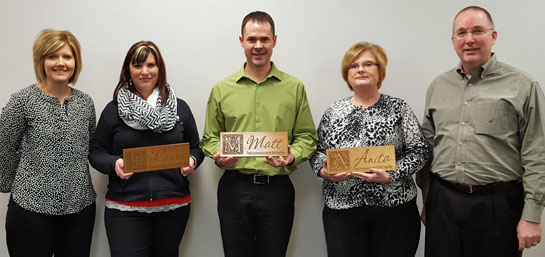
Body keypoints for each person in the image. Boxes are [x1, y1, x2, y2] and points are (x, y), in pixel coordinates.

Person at [417, 6, 545, 257]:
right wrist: (428, 200)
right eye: (461, 33)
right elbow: (427, 146)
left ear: (493, 36)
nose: (469, 39)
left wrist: (531, 215)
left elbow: (537, 152)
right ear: (453, 40)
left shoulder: (523, 86)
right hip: (443, 203)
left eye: (477, 31)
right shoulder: (438, 86)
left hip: (497, 206)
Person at [200, 11, 318, 257]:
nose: (258, 46)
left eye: (264, 39)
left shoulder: (294, 88)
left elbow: (308, 137)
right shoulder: (222, 89)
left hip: (277, 190)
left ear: (274, 40)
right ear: (241, 41)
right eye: (252, 39)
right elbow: (209, 138)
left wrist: (291, 155)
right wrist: (218, 155)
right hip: (234, 188)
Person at [309, 42, 428, 257]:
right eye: (353, 66)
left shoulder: (399, 108)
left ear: (380, 71)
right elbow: (316, 152)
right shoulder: (333, 112)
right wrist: (323, 171)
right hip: (342, 214)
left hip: (395, 212)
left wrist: (391, 174)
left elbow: (420, 151)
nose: (360, 69)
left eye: (368, 64)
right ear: (347, 74)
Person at [88, 41, 204, 257]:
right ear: (127, 71)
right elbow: (95, 152)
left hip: (173, 207)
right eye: (138, 66)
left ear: (160, 69)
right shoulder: (113, 111)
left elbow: (197, 149)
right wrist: (114, 164)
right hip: (125, 209)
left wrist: (192, 161)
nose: (145, 72)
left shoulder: (180, 108)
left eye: (151, 65)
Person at [0, 29, 96, 257]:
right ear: (41, 61)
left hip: (79, 209)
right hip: (30, 212)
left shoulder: (86, 103)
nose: (60, 63)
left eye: (67, 57)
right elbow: (3, 147)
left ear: (76, 62)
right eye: (52, 57)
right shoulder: (22, 101)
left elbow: (91, 147)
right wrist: (16, 185)